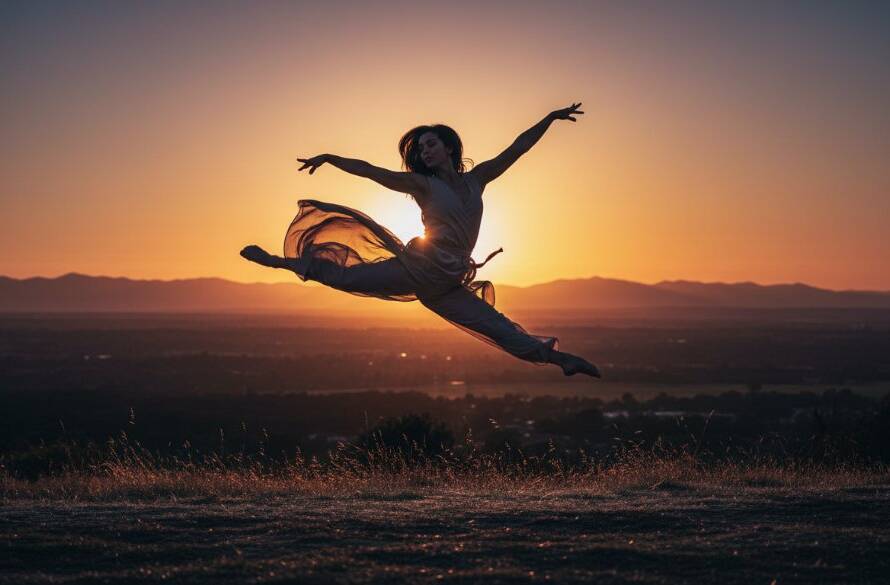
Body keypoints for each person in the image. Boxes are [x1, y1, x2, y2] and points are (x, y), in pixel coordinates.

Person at [241, 102, 600, 377]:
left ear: (448, 147)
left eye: (430, 145)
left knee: (497, 325)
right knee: (347, 276)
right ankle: (277, 261)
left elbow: (518, 148)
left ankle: (560, 360)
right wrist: (331, 158)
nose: (425, 151)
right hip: (418, 268)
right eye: (421, 149)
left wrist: (550, 118)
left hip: (449, 281)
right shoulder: (422, 185)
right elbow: (372, 171)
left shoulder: (479, 179)